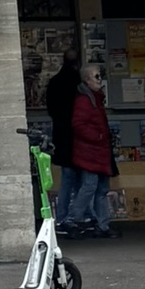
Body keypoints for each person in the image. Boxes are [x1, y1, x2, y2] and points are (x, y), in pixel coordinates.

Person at [61, 61, 116, 238]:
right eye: (97, 76)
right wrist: (98, 137)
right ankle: (72, 219)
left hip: (98, 151)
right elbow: (79, 124)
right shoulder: (85, 100)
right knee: (90, 187)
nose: (100, 80)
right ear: (87, 80)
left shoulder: (95, 98)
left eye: (100, 76)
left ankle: (102, 225)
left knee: (100, 189)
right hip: (90, 152)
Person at [44, 52, 82, 229]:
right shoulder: (79, 83)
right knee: (83, 180)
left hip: (61, 134)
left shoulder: (55, 82)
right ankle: (79, 216)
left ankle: (62, 216)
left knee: (67, 178)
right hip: (78, 136)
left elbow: (51, 109)